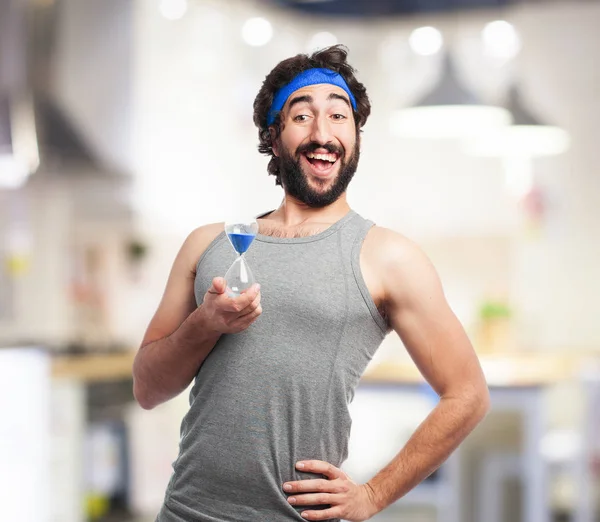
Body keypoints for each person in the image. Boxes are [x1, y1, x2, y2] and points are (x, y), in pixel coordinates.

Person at [133, 45, 490, 522]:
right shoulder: (208, 244)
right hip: (184, 511)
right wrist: (204, 324)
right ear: (274, 136)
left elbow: (467, 394)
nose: (323, 133)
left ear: (356, 137)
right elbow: (147, 389)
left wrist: (373, 495)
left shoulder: (389, 256)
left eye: (339, 116)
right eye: (302, 116)